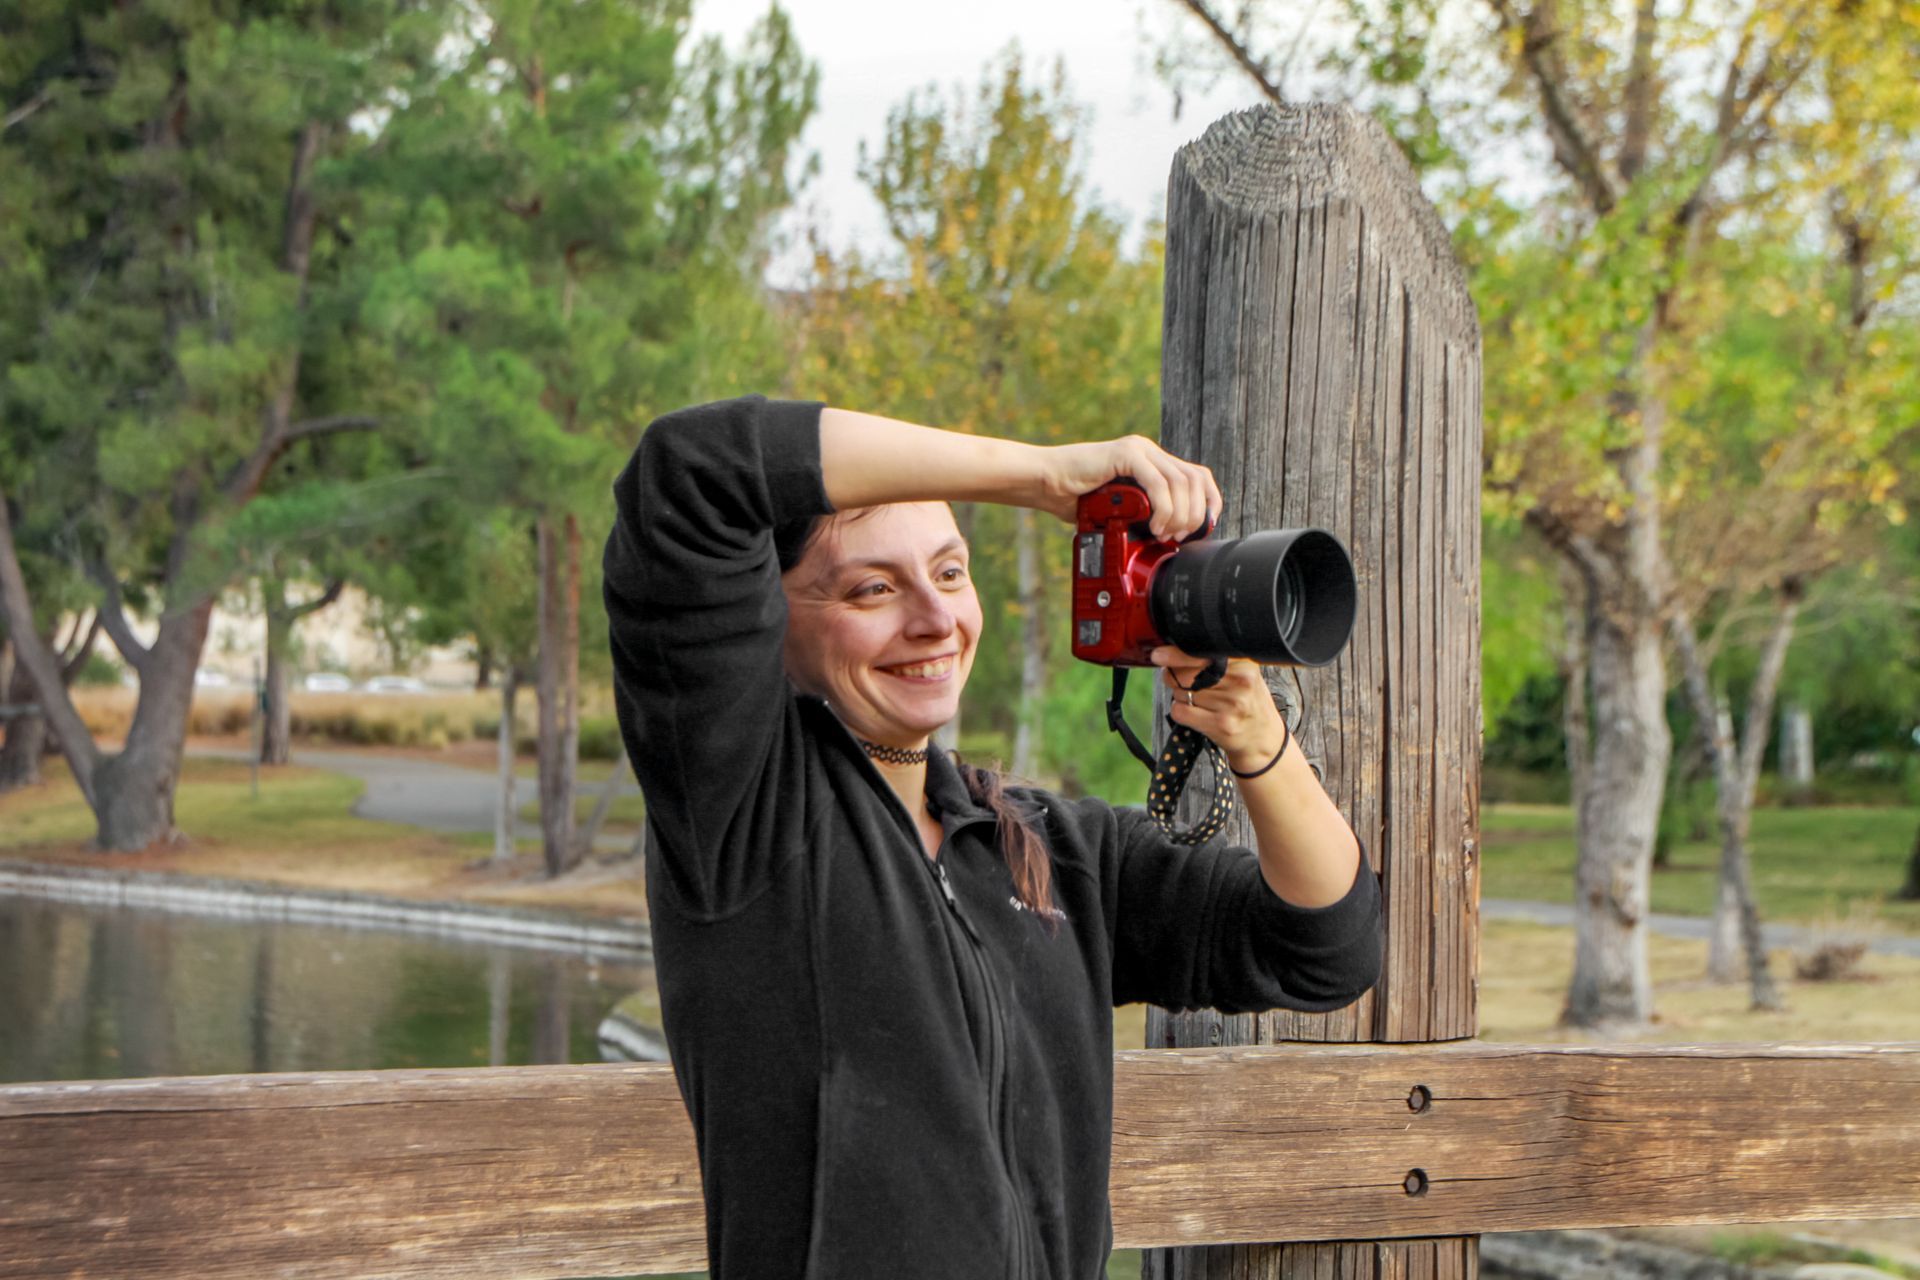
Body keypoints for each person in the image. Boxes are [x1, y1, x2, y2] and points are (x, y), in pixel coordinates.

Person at [603, 395, 1383, 1280]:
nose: (933, 621)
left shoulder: (1056, 851)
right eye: (872, 588)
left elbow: (1326, 944)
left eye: (948, 573)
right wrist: (1045, 475)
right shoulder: (744, 815)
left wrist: (1256, 739)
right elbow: (688, 472)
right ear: (767, 618)